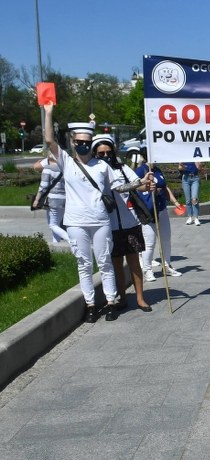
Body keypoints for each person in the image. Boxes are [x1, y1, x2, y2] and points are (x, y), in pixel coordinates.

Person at [42, 103, 122, 322]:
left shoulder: (102, 166)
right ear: (73, 142)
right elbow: (50, 140)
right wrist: (48, 112)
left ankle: (111, 301)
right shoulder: (66, 162)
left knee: (105, 262)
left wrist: (142, 184)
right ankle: (90, 305)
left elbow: (119, 187)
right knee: (84, 264)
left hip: (100, 221)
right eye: (79, 142)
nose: (83, 146)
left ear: (92, 143)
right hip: (76, 222)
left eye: (87, 143)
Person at [92, 134, 151, 312]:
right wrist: (138, 183)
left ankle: (140, 298)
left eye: (108, 152)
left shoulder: (122, 168)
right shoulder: (94, 170)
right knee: (116, 263)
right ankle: (123, 297)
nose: (105, 156)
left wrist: (146, 184)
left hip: (129, 221)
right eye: (100, 153)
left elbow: (136, 184)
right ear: (95, 153)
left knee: (133, 261)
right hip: (108, 224)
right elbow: (120, 187)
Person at [136, 150, 183, 281]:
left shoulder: (158, 170)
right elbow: (136, 188)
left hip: (162, 209)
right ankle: (147, 270)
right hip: (148, 211)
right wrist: (148, 187)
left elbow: (165, 187)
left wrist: (175, 202)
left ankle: (167, 266)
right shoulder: (141, 171)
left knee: (166, 239)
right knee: (149, 242)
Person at [32, 157, 68, 246]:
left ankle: (71, 240)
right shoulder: (66, 167)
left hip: (53, 200)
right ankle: (56, 245)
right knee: (56, 224)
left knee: (52, 225)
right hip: (65, 199)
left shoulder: (48, 169)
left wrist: (37, 199)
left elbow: (43, 187)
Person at [179, 161, 202, 225]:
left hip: (195, 178)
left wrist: (199, 165)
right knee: (188, 200)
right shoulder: (184, 157)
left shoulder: (195, 156)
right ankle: (190, 217)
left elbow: (199, 169)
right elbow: (179, 168)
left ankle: (196, 218)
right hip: (186, 178)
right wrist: (183, 167)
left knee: (194, 198)